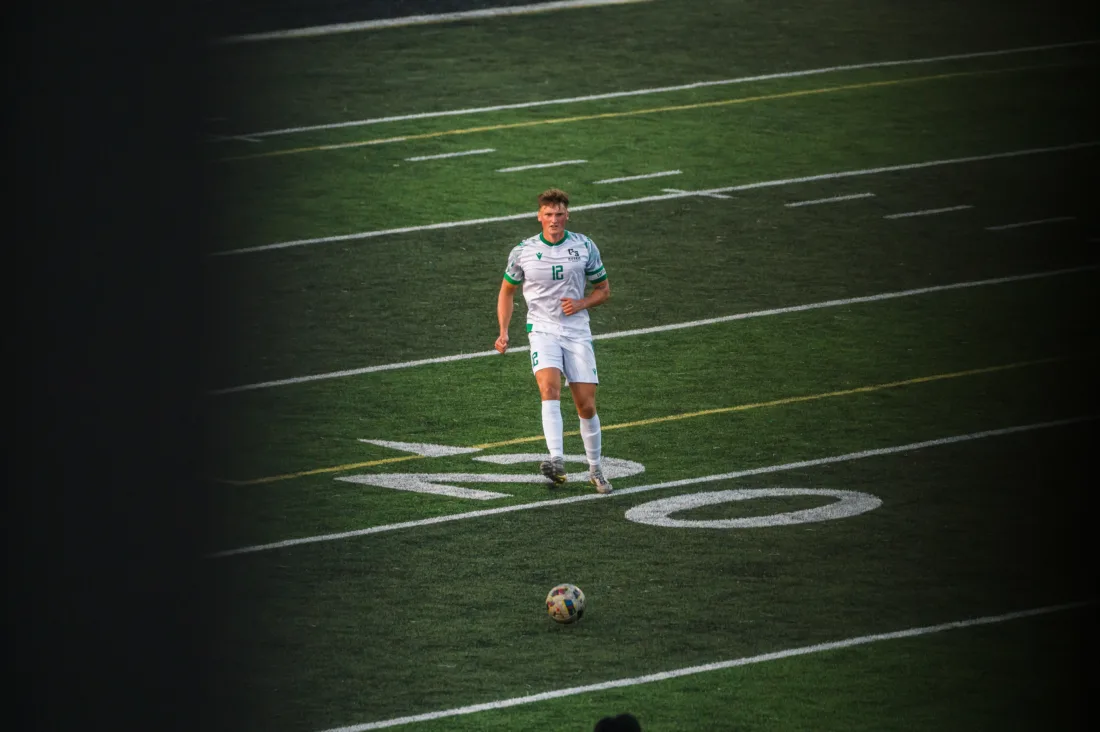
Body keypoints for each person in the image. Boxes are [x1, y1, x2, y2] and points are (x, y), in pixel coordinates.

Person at [494, 188, 613, 493]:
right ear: (540, 216)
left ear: (567, 215)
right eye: (548, 214)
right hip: (542, 328)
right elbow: (506, 291)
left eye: (559, 214)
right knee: (549, 387)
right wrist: (504, 331)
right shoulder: (523, 251)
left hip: (576, 331)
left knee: (585, 404)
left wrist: (582, 303)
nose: (554, 220)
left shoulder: (584, 246)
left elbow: (604, 290)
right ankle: (556, 460)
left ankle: (596, 469)